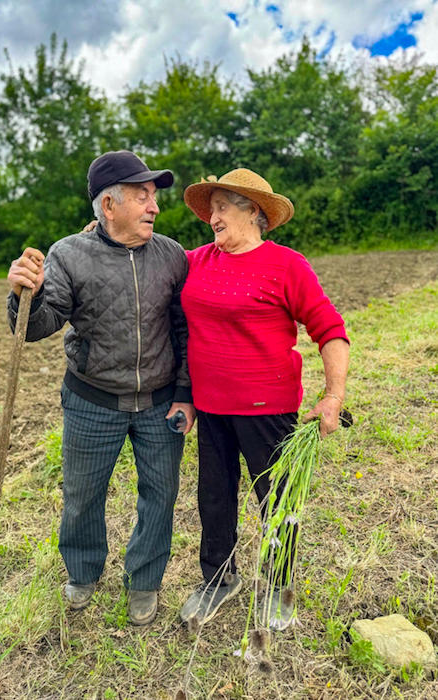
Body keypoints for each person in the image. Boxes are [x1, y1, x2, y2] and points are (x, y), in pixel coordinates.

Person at [7, 150, 195, 626]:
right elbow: (37, 326)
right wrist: (20, 295)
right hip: (92, 399)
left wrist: (184, 392)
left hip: (158, 402)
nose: (154, 207)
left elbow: (183, 330)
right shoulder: (69, 254)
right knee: (83, 495)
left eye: (154, 197)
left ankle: (145, 580)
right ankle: (84, 572)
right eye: (141, 196)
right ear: (108, 206)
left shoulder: (171, 255)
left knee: (160, 493)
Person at [178, 168, 350, 629]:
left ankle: (278, 584)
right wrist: (101, 239)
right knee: (214, 499)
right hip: (210, 408)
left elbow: (330, 330)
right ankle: (219, 579)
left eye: (221, 206)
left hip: (268, 410)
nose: (212, 216)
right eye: (209, 207)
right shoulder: (196, 261)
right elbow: (151, 258)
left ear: (253, 211)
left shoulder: (287, 266)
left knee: (277, 500)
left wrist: (333, 396)